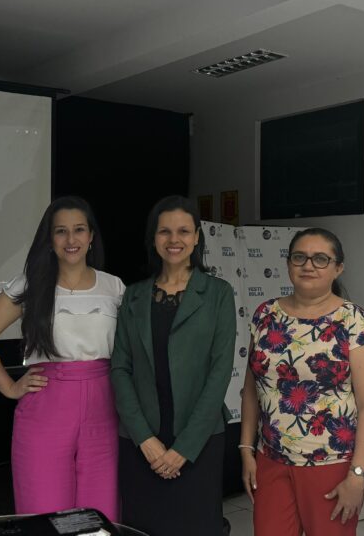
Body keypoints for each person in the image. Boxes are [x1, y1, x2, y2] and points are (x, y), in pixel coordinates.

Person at [0, 196, 125, 521]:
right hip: (47, 408)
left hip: (103, 409)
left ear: (91, 236)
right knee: (44, 511)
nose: (71, 239)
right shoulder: (31, 285)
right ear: (50, 240)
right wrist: (9, 387)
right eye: (61, 231)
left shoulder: (114, 287)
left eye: (79, 230)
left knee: (100, 515)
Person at [240, 227, 364, 536]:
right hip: (271, 460)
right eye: (299, 257)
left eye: (320, 259)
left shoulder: (354, 321)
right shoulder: (265, 315)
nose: (308, 265)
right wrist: (246, 449)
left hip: (331, 465)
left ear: (338, 268)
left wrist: (358, 474)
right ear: (288, 263)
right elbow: (252, 388)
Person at [110, 195, 236, 536]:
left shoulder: (218, 294)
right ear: (154, 238)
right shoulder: (134, 296)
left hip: (199, 440)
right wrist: (145, 440)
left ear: (197, 237)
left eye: (183, 231)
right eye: (164, 231)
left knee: (196, 526)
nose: (174, 239)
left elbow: (220, 372)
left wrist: (183, 449)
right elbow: (120, 368)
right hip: (141, 440)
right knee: (143, 527)